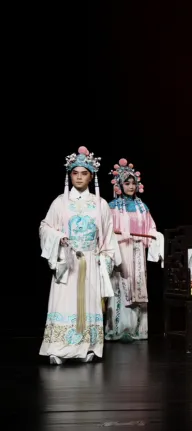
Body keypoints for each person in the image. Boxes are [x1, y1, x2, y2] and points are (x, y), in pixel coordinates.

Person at [39, 146, 118, 364]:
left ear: (91, 176)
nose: (79, 177)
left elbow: (107, 236)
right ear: (70, 175)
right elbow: (45, 227)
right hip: (67, 260)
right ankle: (58, 348)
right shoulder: (60, 202)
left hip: (91, 261)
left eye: (84, 173)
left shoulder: (100, 204)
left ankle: (88, 346)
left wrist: (105, 259)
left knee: (89, 304)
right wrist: (58, 237)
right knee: (64, 303)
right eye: (75, 173)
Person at [105, 159, 161, 342]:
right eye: (127, 183)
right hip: (120, 250)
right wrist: (120, 237)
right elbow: (107, 230)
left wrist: (155, 235)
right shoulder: (112, 207)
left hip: (137, 251)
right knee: (121, 287)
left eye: (133, 183)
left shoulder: (142, 207)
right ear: (120, 185)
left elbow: (150, 227)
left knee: (137, 287)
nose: (130, 186)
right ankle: (118, 329)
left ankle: (138, 330)